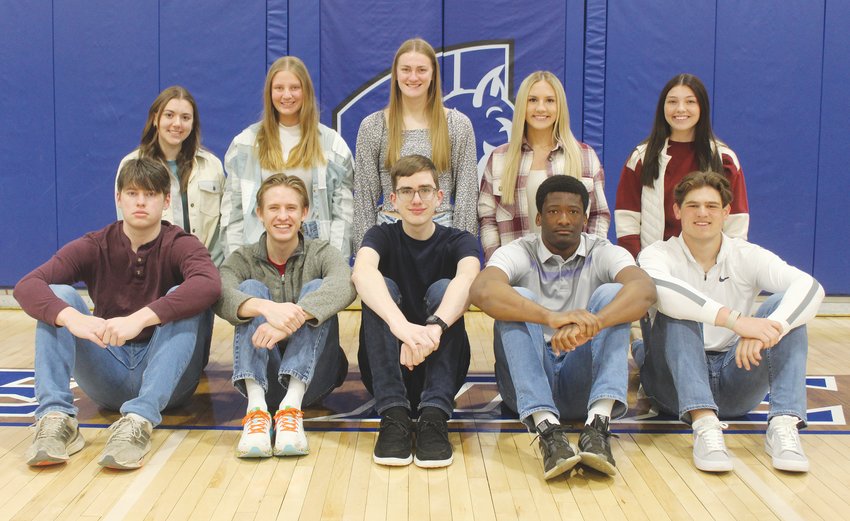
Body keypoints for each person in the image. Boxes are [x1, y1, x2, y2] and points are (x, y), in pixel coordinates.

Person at [15, 158, 221, 469]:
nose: (141, 202)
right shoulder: (95, 244)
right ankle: (57, 419)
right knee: (58, 298)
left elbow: (209, 286)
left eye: (150, 194)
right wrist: (74, 318)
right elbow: (27, 285)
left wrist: (140, 319)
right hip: (108, 372)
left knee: (184, 295)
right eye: (133, 193)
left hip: (168, 381)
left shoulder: (181, 244)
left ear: (166, 201)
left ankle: (139, 421)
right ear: (118, 198)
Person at [633, 171, 824, 473]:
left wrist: (769, 330)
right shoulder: (657, 254)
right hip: (673, 387)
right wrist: (737, 322)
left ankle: (783, 425)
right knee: (679, 309)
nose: (702, 213)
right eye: (693, 205)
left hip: (735, 376)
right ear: (677, 211)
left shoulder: (745, 254)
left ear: (725, 212)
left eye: (711, 206)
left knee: (782, 307)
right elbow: (666, 295)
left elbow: (811, 287)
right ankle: (704, 426)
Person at [470, 175, 656, 480]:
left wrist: (594, 324)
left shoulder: (603, 251)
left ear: (585, 218)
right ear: (539, 218)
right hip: (525, 383)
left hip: (580, 380)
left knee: (614, 295)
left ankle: (597, 427)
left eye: (573, 211)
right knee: (515, 297)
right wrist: (549, 317)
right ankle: (548, 430)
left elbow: (644, 290)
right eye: (554, 211)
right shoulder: (519, 250)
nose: (564, 219)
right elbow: (482, 290)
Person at [352, 154, 480, 468]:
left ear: (440, 198)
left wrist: (433, 328)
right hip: (387, 366)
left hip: (442, 367)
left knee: (445, 288)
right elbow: (361, 273)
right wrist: (401, 327)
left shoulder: (460, 240)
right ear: (393, 201)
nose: (417, 198)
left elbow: (469, 278)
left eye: (425, 190)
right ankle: (393, 415)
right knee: (380, 286)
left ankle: (434, 417)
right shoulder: (380, 236)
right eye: (407, 191)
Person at [215, 174, 355, 458]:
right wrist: (265, 308)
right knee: (250, 290)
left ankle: (291, 408)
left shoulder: (321, 252)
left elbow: (345, 284)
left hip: (313, 379)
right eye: (274, 208)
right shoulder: (243, 259)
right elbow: (220, 293)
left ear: (305, 213)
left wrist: (295, 317)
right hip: (263, 378)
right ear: (259, 214)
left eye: (291, 208)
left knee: (317, 289)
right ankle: (256, 412)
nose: (283, 216)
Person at [352, 38, 478, 250]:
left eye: (421, 70)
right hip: (389, 233)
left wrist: (463, 253)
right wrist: (365, 254)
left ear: (433, 75)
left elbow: (466, 196)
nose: (413, 77)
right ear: (396, 74)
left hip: (442, 231)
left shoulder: (457, 125)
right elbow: (364, 200)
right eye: (406, 69)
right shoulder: (373, 126)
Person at [222, 56, 354, 258]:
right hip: (259, 261)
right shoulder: (245, 144)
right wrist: (237, 265)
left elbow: (343, 217)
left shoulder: (333, 146)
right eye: (279, 88)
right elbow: (233, 215)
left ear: (306, 91)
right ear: (269, 92)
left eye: (294, 87)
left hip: (314, 259)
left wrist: (334, 268)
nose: (286, 95)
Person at [479, 71, 610, 261]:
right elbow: (487, 219)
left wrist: (590, 262)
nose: (541, 108)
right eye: (532, 100)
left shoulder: (585, 157)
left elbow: (599, 215)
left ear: (560, 107)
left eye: (549, 100)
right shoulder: (500, 158)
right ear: (522, 105)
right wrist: (498, 265)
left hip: (574, 272)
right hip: (516, 276)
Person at [615, 73, 749, 259]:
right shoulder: (641, 158)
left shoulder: (724, 159)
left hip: (709, 268)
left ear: (702, 107)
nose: (680, 109)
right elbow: (627, 221)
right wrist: (640, 266)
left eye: (690, 102)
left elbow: (736, 225)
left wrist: (723, 268)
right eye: (672, 102)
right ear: (663, 107)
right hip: (655, 268)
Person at [116, 86, 225, 265]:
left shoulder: (212, 165)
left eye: (185, 118)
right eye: (169, 115)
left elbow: (221, 228)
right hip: (156, 271)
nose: (177, 124)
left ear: (193, 123)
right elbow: (126, 227)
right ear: (155, 119)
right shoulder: (131, 165)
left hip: (205, 269)